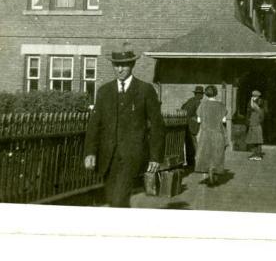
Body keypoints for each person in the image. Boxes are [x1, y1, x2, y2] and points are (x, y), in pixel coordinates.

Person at [83, 43, 166, 207]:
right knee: (112, 197)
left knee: (119, 199)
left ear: (132, 65)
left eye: (124, 65)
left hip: (132, 156)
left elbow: (158, 125)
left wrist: (155, 156)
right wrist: (90, 152)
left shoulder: (145, 90)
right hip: (108, 156)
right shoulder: (104, 91)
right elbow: (95, 124)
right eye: (116, 65)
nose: (119, 69)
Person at [195, 85, 228, 184]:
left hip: (205, 134)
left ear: (205, 94)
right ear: (216, 93)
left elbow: (199, 120)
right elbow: (223, 120)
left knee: (205, 154)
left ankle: (207, 174)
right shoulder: (221, 105)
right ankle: (215, 174)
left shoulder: (202, 105)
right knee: (217, 154)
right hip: (218, 133)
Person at [180, 86, 204, 168]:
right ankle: (193, 163)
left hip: (185, 124)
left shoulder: (190, 100)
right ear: (199, 94)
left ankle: (190, 162)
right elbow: (199, 115)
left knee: (188, 144)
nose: (202, 96)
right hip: (192, 126)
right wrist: (197, 120)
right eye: (201, 94)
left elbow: (182, 109)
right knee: (193, 145)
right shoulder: (197, 102)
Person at [245, 90, 265, 161]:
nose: (254, 97)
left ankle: (258, 154)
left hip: (256, 120)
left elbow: (259, 111)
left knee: (258, 138)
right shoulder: (251, 101)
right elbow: (248, 111)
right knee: (253, 138)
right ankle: (254, 153)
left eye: (255, 96)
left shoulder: (259, 101)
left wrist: (259, 121)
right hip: (252, 120)